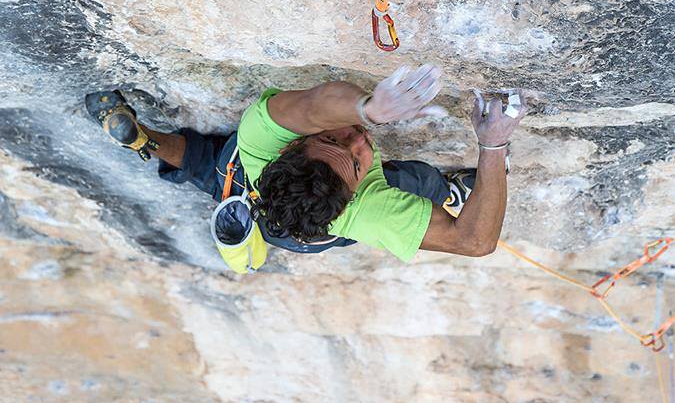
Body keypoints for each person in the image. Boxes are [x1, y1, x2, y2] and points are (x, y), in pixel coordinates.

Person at [85, 65, 525, 263]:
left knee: (211, 165)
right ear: (354, 197)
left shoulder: (261, 140)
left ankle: (144, 141)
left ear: (288, 149)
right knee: (414, 180)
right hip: (286, 217)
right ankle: (451, 191)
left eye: (333, 139)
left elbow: (316, 104)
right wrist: (493, 146)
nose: (357, 139)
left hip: (253, 182)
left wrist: (369, 109)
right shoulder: (366, 213)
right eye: (356, 159)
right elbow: (473, 242)